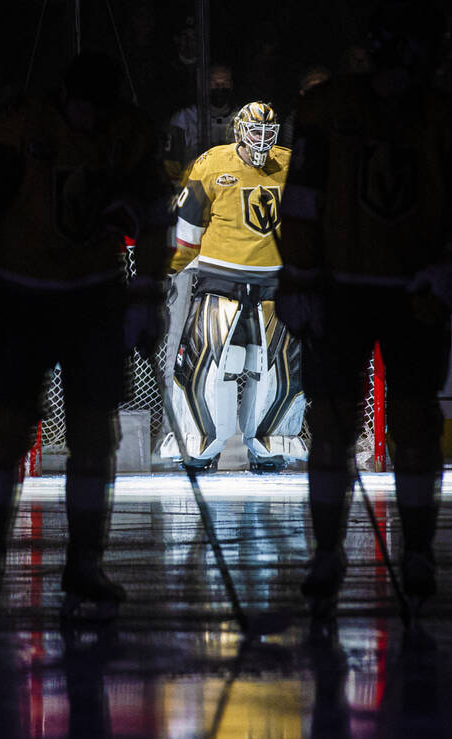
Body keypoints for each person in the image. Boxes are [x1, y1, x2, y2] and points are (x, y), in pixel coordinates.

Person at [0, 51, 172, 626]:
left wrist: (146, 293)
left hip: (95, 300)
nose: (90, 119)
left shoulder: (129, 132)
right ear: (64, 97)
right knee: (3, 432)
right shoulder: (18, 128)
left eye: (100, 108)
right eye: (82, 107)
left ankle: (85, 562)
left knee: (95, 435)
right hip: (23, 299)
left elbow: (156, 213)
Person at [276, 1, 452, 616]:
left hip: (413, 290)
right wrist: (300, 280)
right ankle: (328, 551)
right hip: (343, 288)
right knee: (334, 425)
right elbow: (304, 202)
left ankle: (417, 549)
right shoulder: (327, 110)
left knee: (415, 423)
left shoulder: (444, 117)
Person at [162, 101, 304, 472]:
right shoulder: (210, 164)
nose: (261, 140)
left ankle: (272, 444)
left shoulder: (293, 164)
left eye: (268, 133)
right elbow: (187, 225)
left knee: (278, 369)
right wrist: (170, 267)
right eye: (255, 132)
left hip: (277, 283)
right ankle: (199, 444)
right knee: (206, 365)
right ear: (239, 131)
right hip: (219, 280)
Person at [164, 63, 237, 180]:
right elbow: (171, 166)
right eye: (214, 82)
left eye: (225, 82)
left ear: (232, 85)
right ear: (204, 84)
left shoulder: (242, 118)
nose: (220, 86)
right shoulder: (184, 119)